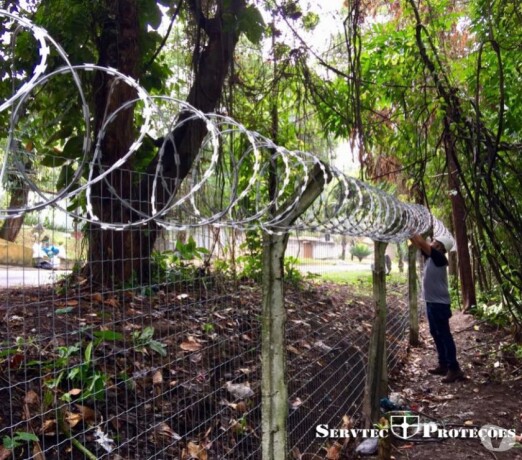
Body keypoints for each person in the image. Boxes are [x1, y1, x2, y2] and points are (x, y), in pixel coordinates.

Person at [410, 234, 465, 383]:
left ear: (440, 247)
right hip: (431, 302)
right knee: (435, 332)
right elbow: (418, 243)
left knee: (444, 334)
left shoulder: (439, 257)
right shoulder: (431, 256)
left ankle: (454, 369)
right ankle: (444, 364)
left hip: (439, 304)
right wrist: (409, 232)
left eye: (434, 242)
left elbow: (421, 241)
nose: (432, 243)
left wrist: (412, 227)